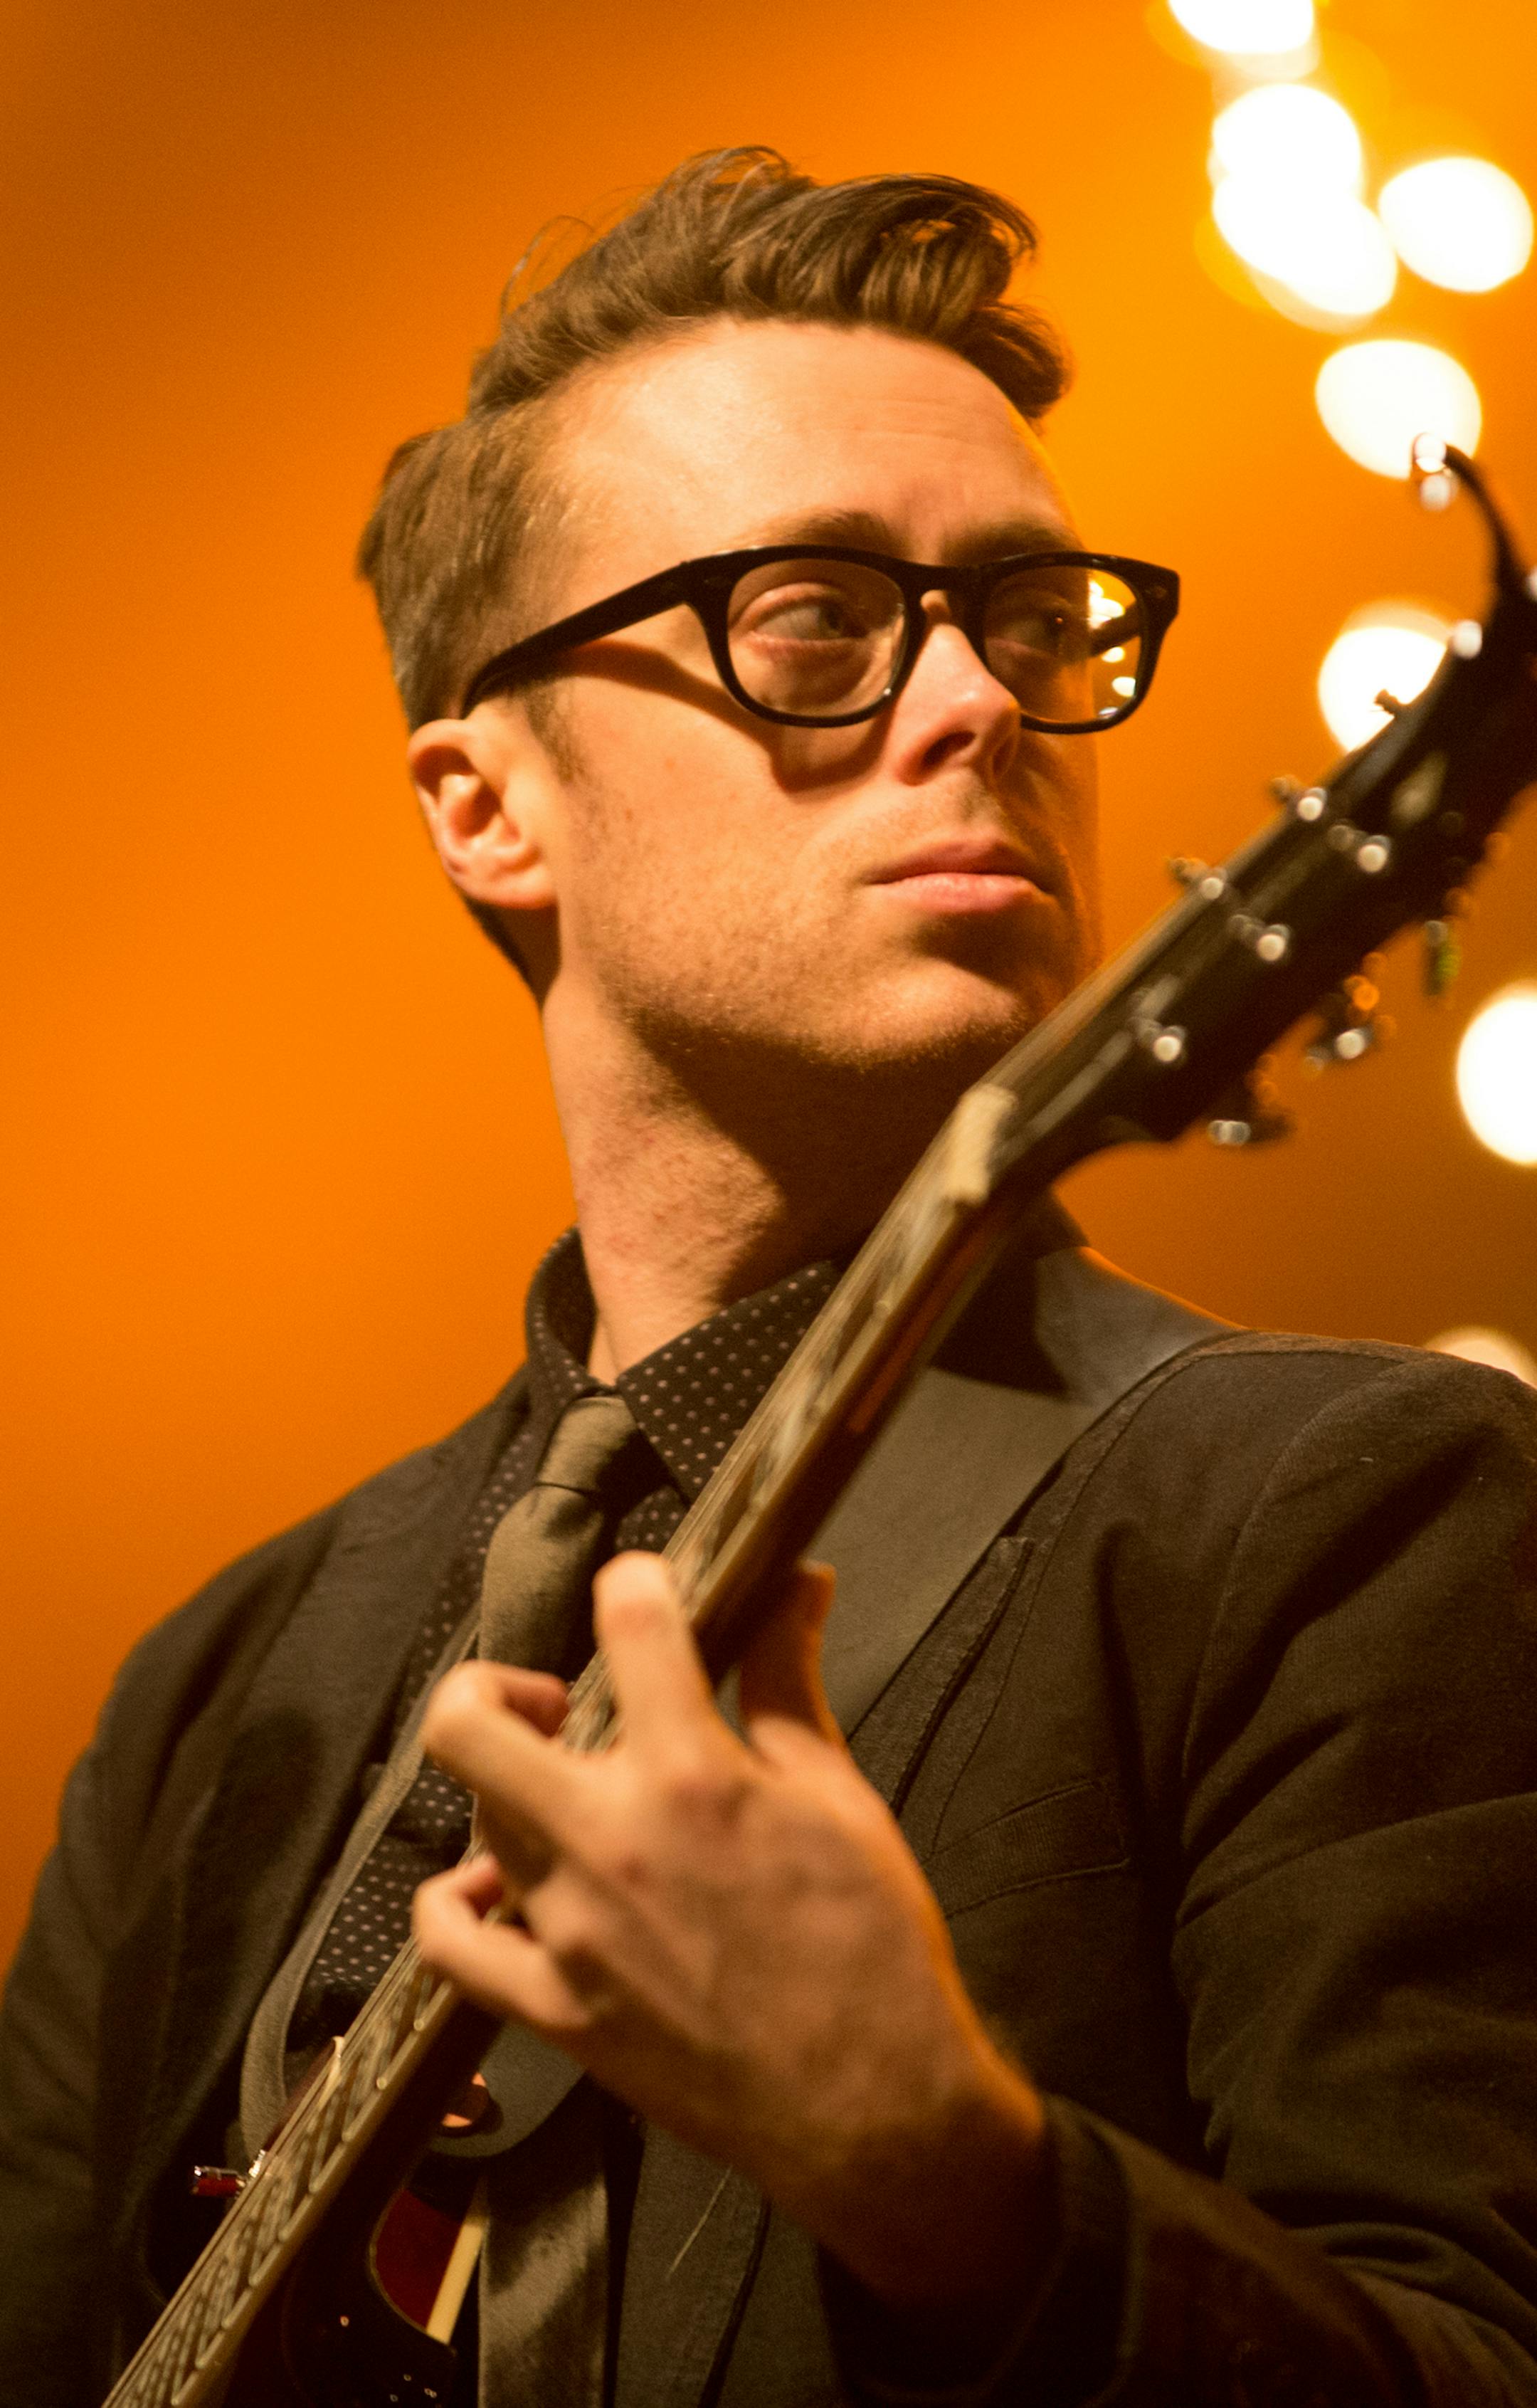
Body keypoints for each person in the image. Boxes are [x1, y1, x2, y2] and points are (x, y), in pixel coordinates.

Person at [3, 147, 1536, 2408]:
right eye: (815, 618)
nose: (983, 704)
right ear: (485, 807)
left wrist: (944, 2170)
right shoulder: (219, 1686)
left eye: (1035, 619)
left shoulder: (1359, 1506)